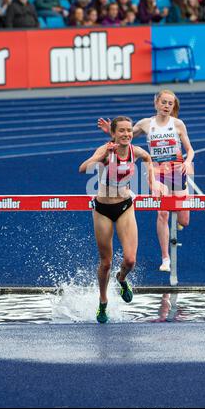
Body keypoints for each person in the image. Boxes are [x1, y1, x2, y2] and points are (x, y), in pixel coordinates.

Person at [98, 90, 195, 273]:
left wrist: (188, 163)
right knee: (162, 214)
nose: (166, 106)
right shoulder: (145, 124)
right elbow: (123, 138)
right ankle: (165, 258)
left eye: (170, 104)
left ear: (173, 106)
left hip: (177, 170)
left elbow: (190, 150)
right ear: (156, 103)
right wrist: (110, 131)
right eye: (164, 102)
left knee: (184, 220)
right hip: (156, 171)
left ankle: (177, 214)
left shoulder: (178, 124)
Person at [79, 116, 155, 323]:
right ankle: (103, 302)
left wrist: (152, 182)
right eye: (121, 131)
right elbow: (82, 168)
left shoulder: (135, 152)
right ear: (113, 134)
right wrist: (100, 156)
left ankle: (121, 279)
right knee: (106, 263)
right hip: (102, 209)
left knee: (130, 260)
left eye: (129, 130)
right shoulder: (105, 152)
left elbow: (148, 158)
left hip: (124, 207)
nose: (127, 134)